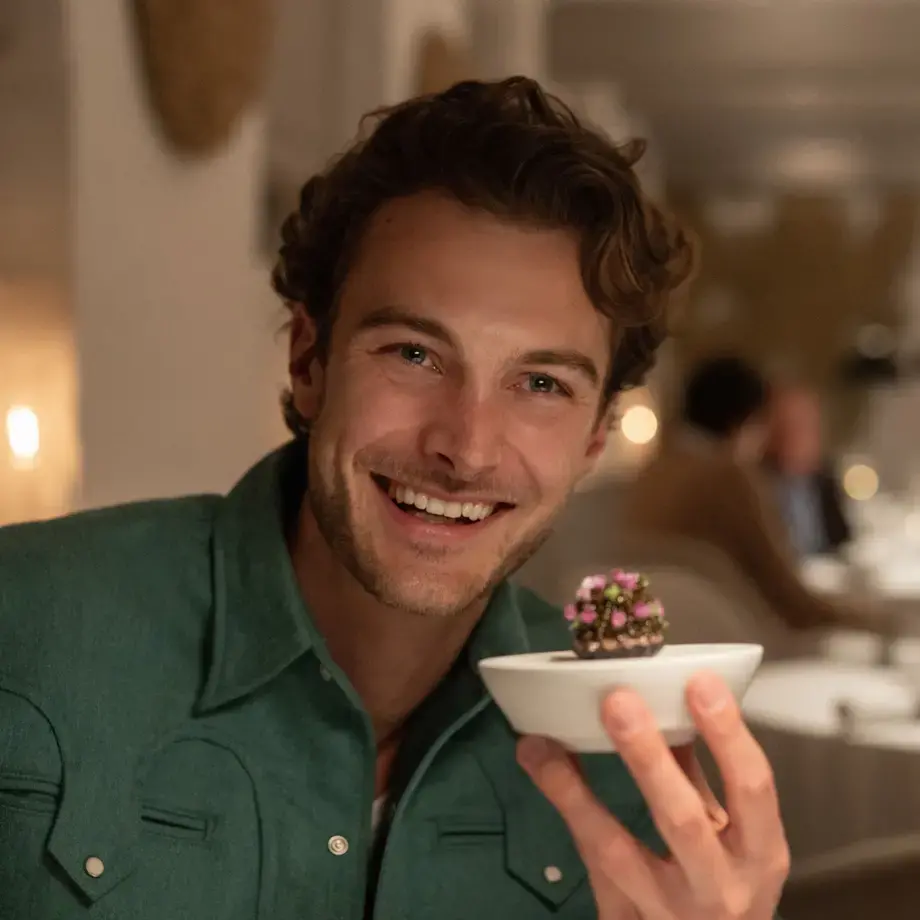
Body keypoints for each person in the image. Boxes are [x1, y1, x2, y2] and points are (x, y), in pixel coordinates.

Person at [0, 79, 790, 919]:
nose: (466, 446)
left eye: (541, 382)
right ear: (309, 363)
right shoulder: (28, 623)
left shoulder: (633, 757)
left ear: (594, 441)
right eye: (414, 354)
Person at [623, 356, 881, 636]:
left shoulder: (654, 470)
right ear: (745, 421)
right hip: (740, 638)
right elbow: (790, 598)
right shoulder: (725, 477)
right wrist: (875, 619)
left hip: (670, 634)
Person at [763, 383, 851, 558]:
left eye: (807, 426)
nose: (800, 436)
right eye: (789, 426)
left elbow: (843, 543)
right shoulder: (756, 485)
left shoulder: (824, 481)